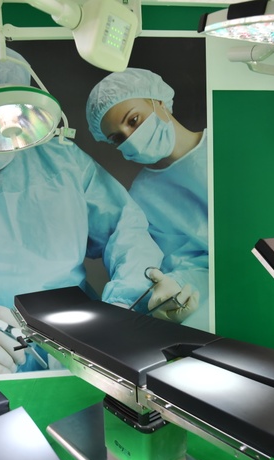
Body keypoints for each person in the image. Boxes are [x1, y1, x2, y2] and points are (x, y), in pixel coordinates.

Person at [0, 41, 197, 375]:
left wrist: (125, 307)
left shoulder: (63, 160)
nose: (2, 132)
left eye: (12, 115)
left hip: (82, 347)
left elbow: (126, 233)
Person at [86, 68, 209, 330]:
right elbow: (184, 265)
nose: (130, 139)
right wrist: (174, 289)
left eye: (133, 120)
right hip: (210, 302)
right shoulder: (142, 196)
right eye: (118, 138)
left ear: (159, 102)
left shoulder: (228, 144)